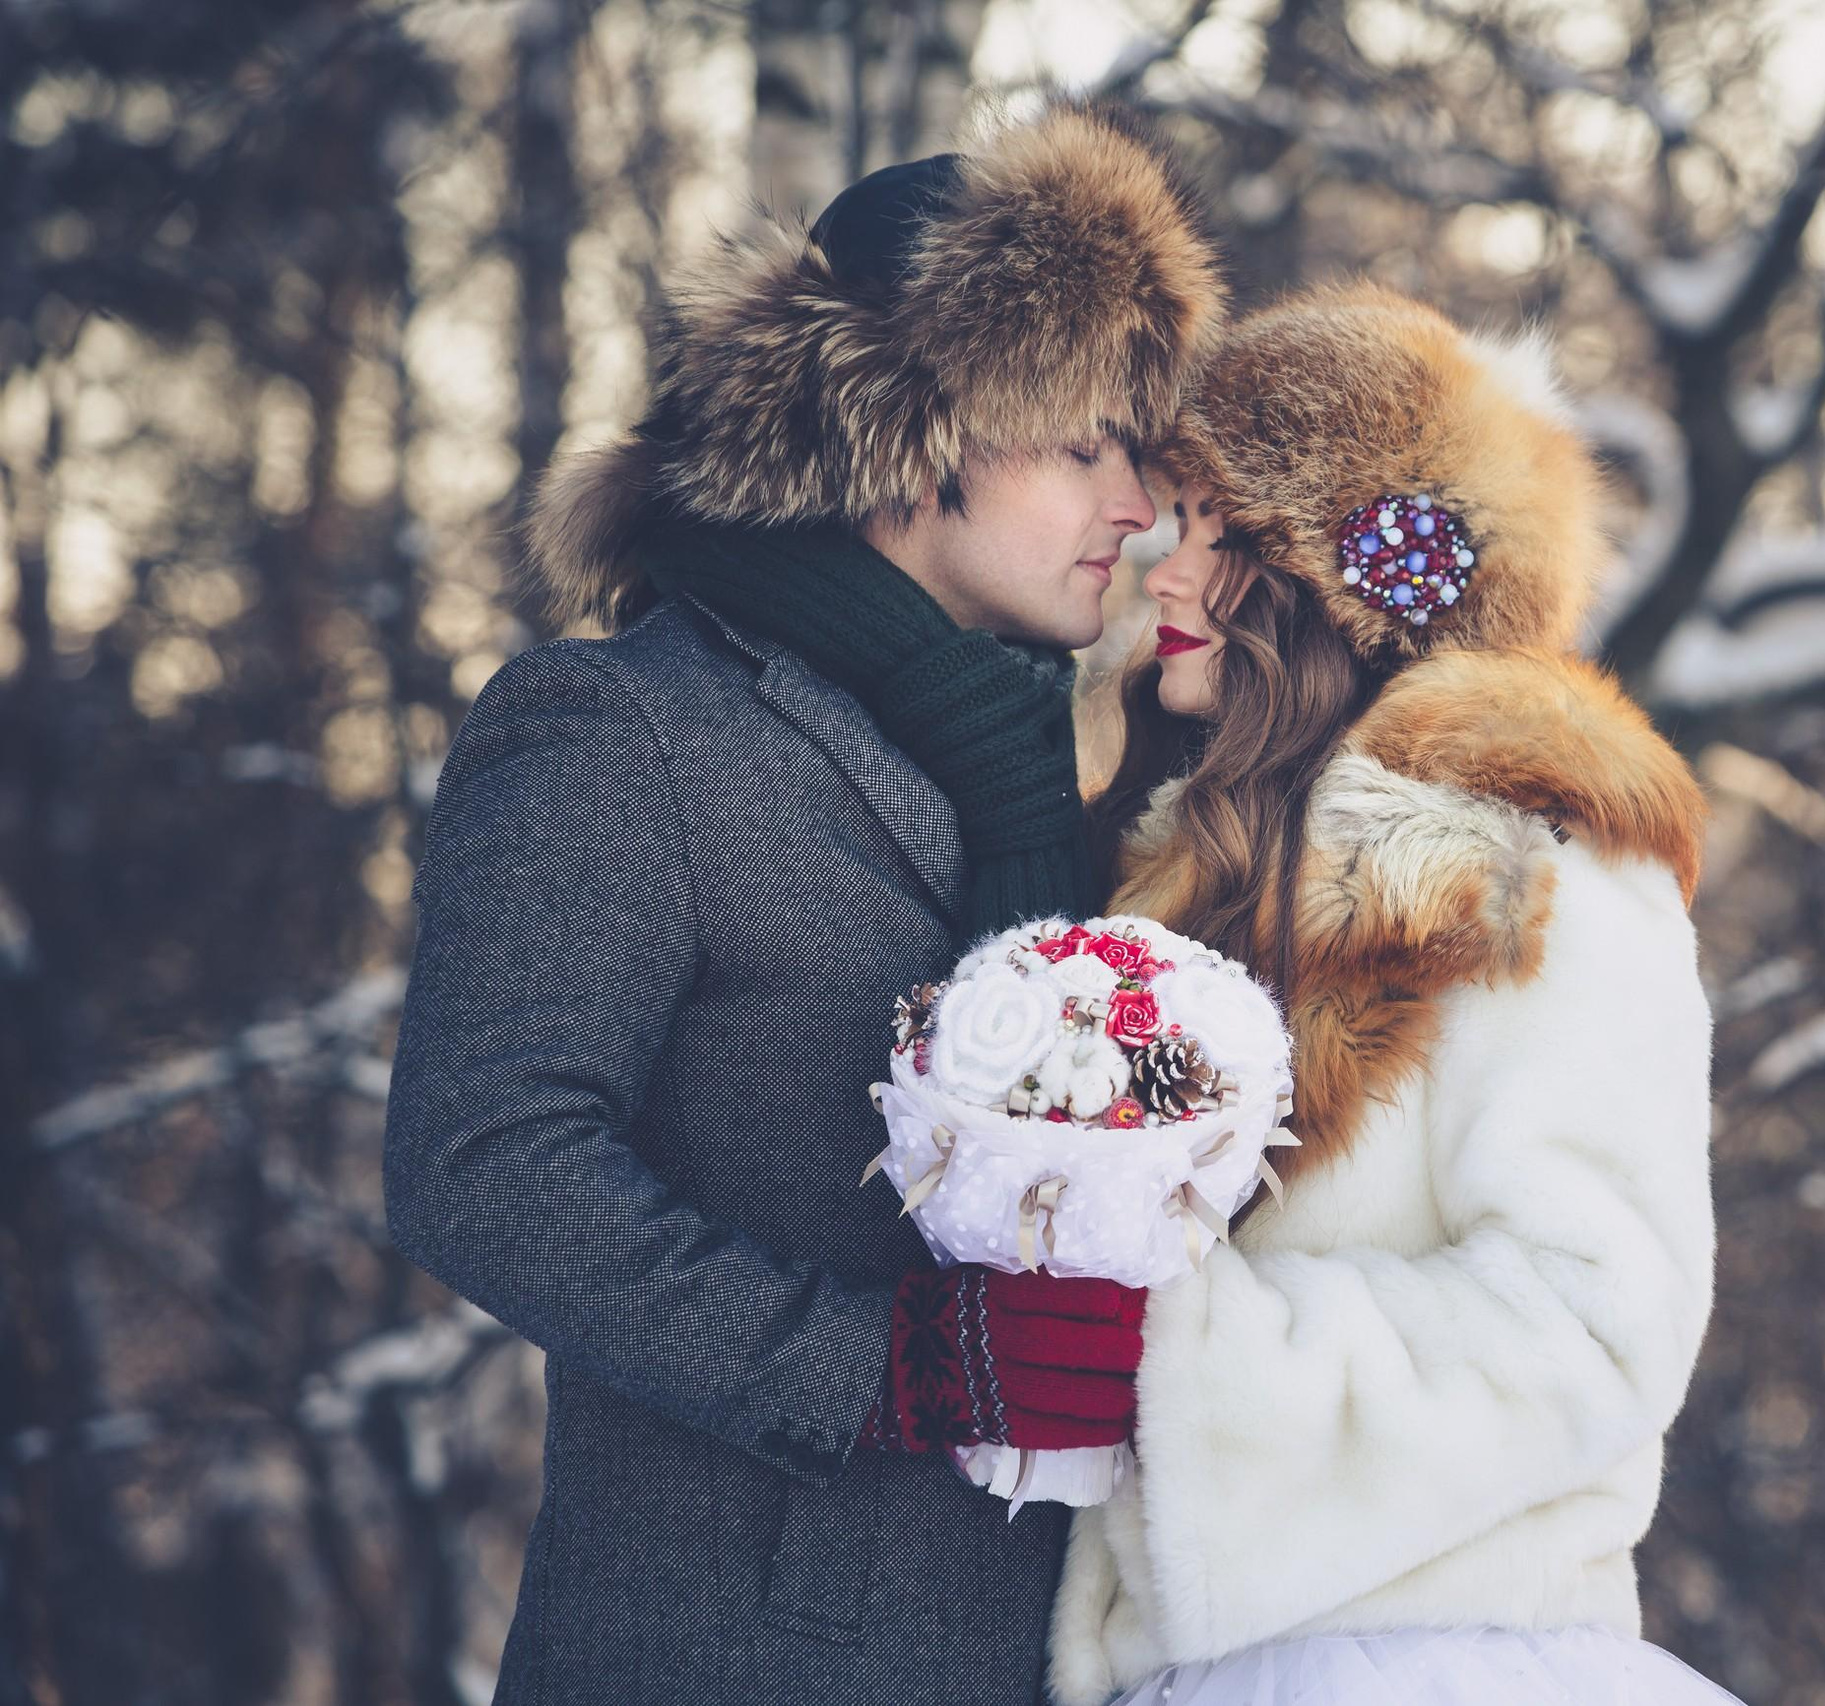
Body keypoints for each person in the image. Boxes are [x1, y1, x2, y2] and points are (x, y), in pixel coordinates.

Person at [381, 103, 1224, 1706]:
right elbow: (483, 1162)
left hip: (1052, 1652)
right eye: (1082, 443)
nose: (1138, 506)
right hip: (734, 1652)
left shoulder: (1070, 774)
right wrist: (880, 1365)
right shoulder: (622, 727)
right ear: (908, 437)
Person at [1063, 284, 1739, 1705]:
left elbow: (1601, 1316)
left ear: (1338, 579)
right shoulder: (1183, 866)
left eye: (1217, 532)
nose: (1163, 575)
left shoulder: (1540, 869)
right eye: (1171, 525)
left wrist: (1174, 1360)